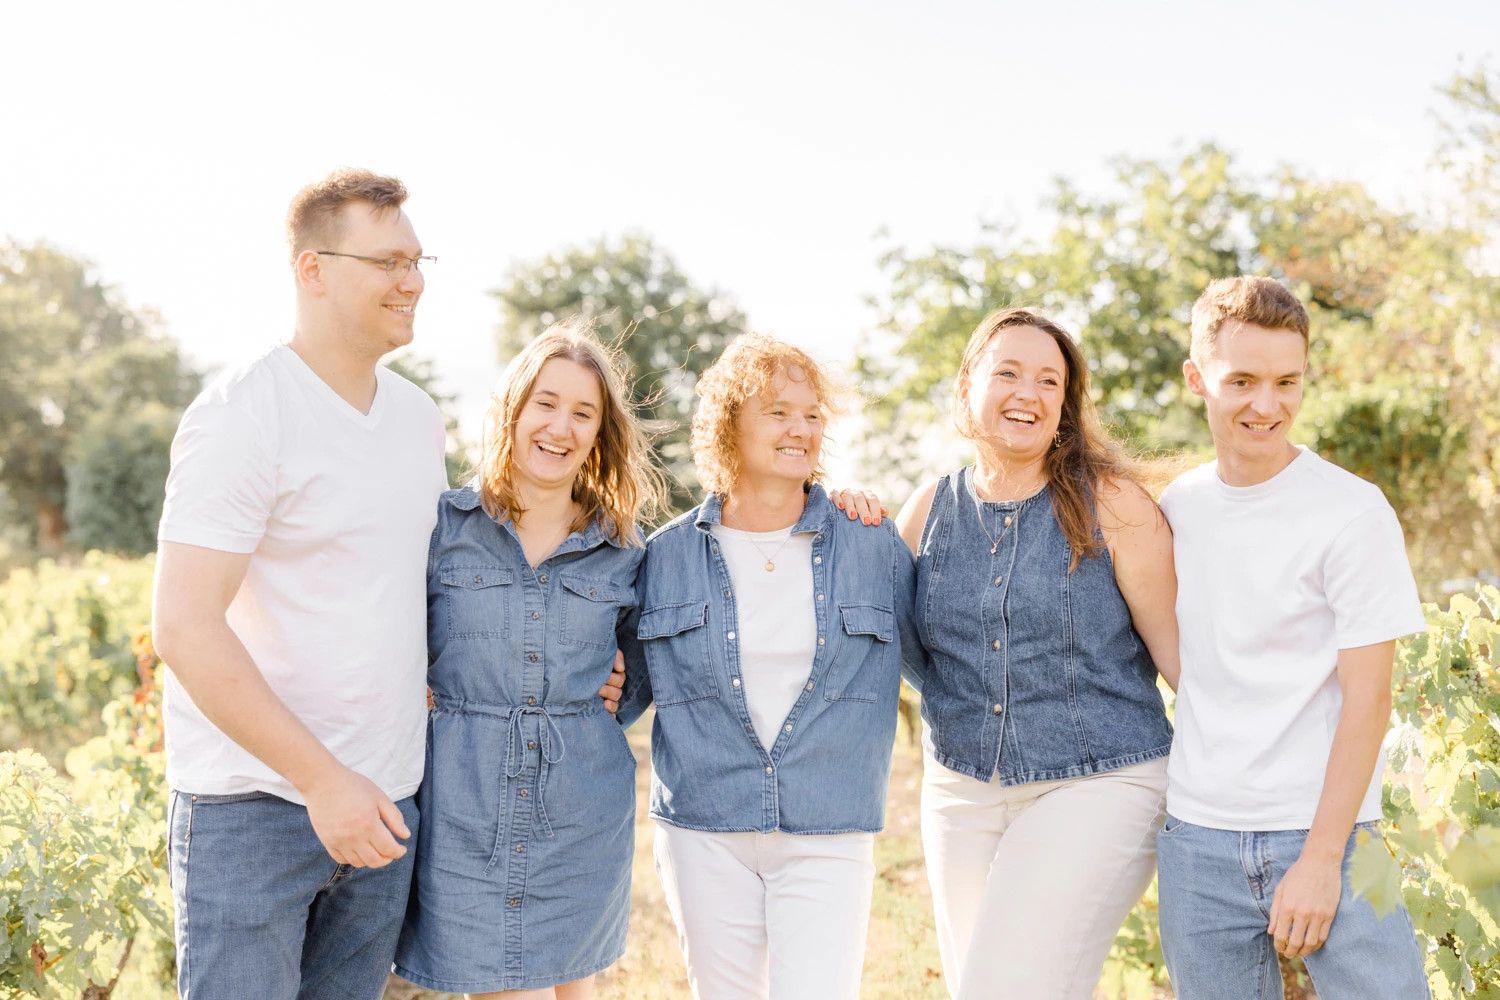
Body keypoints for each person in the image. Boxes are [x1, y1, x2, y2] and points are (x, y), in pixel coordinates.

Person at [152, 168, 449, 999]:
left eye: (417, 261)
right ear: (312, 269)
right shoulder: (243, 414)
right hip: (254, 811)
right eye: (388, 262)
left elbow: (419, 596)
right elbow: (183, 626)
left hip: (386, 808)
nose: (413, 281)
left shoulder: (419, 419)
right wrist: (323, 782)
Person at [617, 334, 924, 1000]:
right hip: (703, 828)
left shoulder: (870, 542)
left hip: (829, 824)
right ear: (729, 424)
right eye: (779, 411)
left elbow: (940, 667)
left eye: (812, 415)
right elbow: (619, 692)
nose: (801, 429)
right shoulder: (666, 557)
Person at [1154, 276, 1430, 998]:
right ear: (1196, 379)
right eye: (1241, 381)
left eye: (1287, 382)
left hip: (1333, 836)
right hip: (1197, 839)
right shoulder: (1179, 507)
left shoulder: (1352, 512)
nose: (1267, 405)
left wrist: (1321, 859)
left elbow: (1370, 700)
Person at [892, 307, 1179, 1000]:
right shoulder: (926, 512)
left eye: (1049, 381)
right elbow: (899, 649)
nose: (1029, 393)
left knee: (1006, 985)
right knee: (980, 987)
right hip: (959, 788)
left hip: (1103, 779)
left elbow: (1184, 661)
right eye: (1009, 373)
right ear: (967, 386)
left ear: (1065, 405)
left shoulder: (1115, 504)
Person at [394, 322, 666, 999]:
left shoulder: (623, 549)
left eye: (583, 413)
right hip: (466, 811)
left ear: (600, 433)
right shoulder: (443, 529)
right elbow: (391, 636)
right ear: (513, 409)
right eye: (546, 403)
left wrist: (615, 696)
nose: (560, 428)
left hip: (580, 813)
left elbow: (645, 657)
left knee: (574, 988)